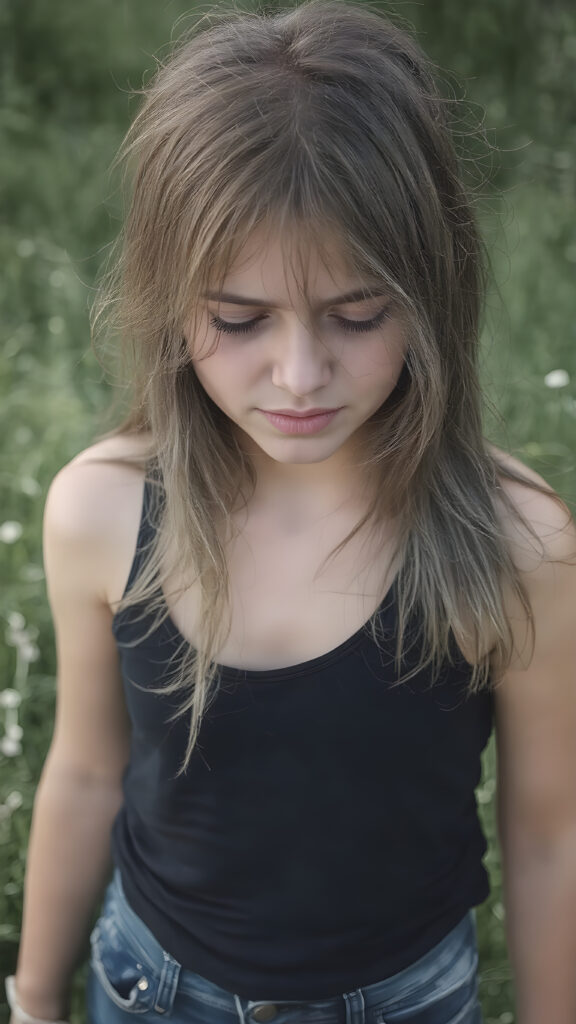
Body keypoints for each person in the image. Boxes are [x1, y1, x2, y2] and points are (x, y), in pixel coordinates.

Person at [6, 1, 576, 1022]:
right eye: (240, 320)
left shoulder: (517, 545)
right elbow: (87, 770)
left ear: (432, 290)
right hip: (147, 988)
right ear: (168, 300)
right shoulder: (102, 510)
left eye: (358, 315)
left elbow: (549, 836)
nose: (300, 374)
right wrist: (37, 998)